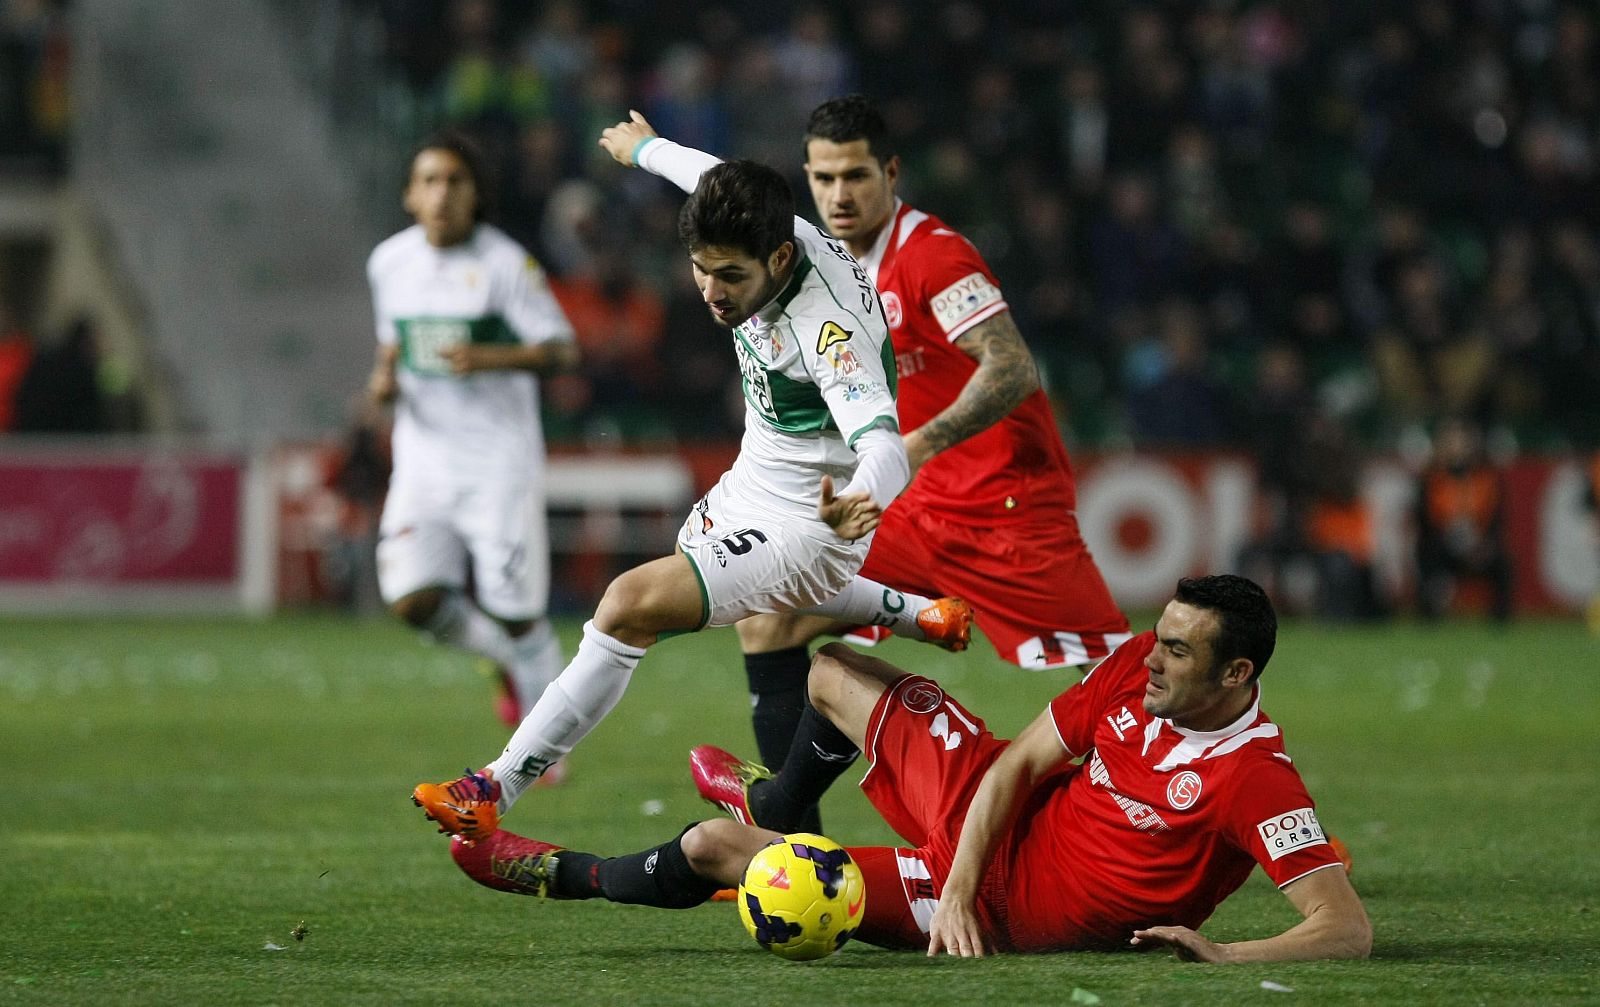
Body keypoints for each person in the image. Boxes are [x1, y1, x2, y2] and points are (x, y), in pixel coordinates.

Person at [411, 114, 972, 844]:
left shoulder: (825, 329)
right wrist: (640, 148)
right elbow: (705, 172)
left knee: (625, 606)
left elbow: (884, 442)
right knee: (731, 586)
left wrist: (863, 499)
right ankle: (915, 612)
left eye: (731, 276)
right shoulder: (762, 227)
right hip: (753, 484)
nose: (711, 290)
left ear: (778, 257)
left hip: (812, 522)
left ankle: (494, 786)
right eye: (701, 268)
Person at [448, 575, 1372, 962]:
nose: (1153, 657)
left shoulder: (1255, 776)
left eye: (1179, 650)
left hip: (1010, 907)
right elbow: (1021, 766)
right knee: (832, 673)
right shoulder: (1137, 665)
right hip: (987, 815)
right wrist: (967, 870)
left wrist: (1223, 950)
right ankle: (780, 796)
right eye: (1160, 637)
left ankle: (551, 873)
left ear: (1237, 673)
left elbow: (1344, 926)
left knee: (718, 847)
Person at [718, 94, 1130, 834]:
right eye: (823, 178)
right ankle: (789, 850)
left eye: (855, 176)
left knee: (1119, 678)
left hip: (1002, 505)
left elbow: (1011, 368)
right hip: (908, 510)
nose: (839, 195)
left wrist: (916, 444)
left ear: (891, 172)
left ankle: (1240, 806)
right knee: (770, 615)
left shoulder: (934, 254)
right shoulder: (818, 263)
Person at [366, 130, 579, 731]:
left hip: (497, 463)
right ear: (410, 194)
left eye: (455, 182)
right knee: (412, 599)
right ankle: (511, 665)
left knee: (516, 610)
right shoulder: (389, 263)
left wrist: (492, 357)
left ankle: (542, 751)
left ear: (475, 194)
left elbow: (563, 350)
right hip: (423, 460)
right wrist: (382, 380)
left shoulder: (505, 265)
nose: (441, 194)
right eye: (429, 181)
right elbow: (393, 345)